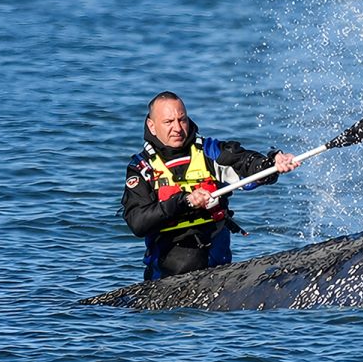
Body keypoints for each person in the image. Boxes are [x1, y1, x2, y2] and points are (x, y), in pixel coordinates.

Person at [122, 91, 299, 279]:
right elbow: (138, 223)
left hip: (218, 268)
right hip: (167, 275)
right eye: (168, 122)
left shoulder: (209, 151)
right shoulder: (142, 168)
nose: (177, 128)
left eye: (182, 120)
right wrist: (184, 201)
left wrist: (271, 164)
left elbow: (245, 163)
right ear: (152, 125)